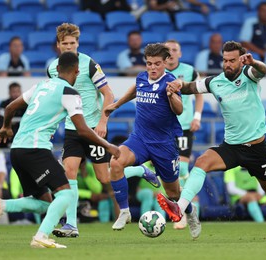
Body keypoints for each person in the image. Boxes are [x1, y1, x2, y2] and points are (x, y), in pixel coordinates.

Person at [160, 41, 266, 240]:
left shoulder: (250, 75)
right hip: (231, 147)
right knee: (202, 162)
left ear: (241, 60)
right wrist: (179, 85)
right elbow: (189, 88)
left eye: (232, 60)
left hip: (256, 149)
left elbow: (263, 70)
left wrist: (254, 62)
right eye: (225, 60)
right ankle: (180, 208)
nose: (227, 64)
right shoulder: (216, 82)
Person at [0, 51, 120, 249]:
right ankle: (41, 236)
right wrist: (108, 146)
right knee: (65, 195)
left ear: (56, 69)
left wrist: (6, 127)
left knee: (48, 204)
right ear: (77, 70)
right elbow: (82, 129)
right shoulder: (70, 93)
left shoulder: (40, 86)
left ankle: (1, 205)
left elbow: (11, 107)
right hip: (36, 149)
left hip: (17, 151)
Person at [47, 23, 158, 238]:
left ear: (77, 43)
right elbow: (57, 100)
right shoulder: (53, 69)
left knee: (105, 178)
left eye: (73, 43)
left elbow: (108, 94)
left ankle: (140, 170)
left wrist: (103, 122)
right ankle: (71, 224)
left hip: (92, 130)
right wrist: (52, 126)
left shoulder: (88, 64)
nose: (69, 47)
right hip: (72, 129)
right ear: (58, 45)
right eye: (65, 43)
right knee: (68, 173)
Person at [104, 43, 201, 239]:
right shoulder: (141, 77)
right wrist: (116, 104)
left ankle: (190, 213)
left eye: (157, 63)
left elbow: (179, 110)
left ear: (165, 62)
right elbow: (134, 90)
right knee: (115, 163)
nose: (153, 68)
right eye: (149, 63)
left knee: (173, 193)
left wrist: (171, 95)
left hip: (163, 145)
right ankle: (124, 211)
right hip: (139, 139)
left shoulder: (171, 81)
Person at [164, 39, 203, 229]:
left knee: (183, 170)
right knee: (168, 171)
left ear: (180, 53)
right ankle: (186, 210)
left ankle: (184, 213)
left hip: (184, 126)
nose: (171, 53)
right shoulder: (157, 72)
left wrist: (197, 116)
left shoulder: (189, 70)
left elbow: (199, 93)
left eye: (174, 50)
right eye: (167, 50)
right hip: (163, 127)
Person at [0, 82, 26, 148]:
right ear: (9, 93)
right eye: (13, 92)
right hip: (7, 133)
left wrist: (12, 121)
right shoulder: (3, 104)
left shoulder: (26, 104)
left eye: (18, 91)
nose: (16, 94)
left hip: (21, 133)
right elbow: (1, 121)